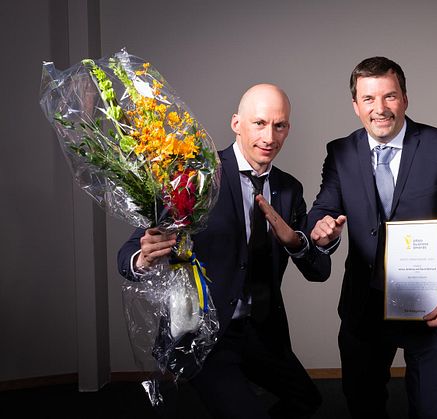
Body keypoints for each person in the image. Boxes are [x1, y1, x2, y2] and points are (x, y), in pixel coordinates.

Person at [117, 84, 330, 419]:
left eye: (280, 125)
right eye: (259, 123)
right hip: (206, 336)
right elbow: (128, 253)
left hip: (262, 332)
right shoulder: (197, 175)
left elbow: (319, 271)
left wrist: (295, 242)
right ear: (236, 123)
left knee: (308, 400)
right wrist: (143, 257)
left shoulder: (289, 189)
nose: (269, 136)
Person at [307, 56, 437, 419]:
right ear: (356, 106)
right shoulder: (340, 152)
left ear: (405, 98)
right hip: (364, 307)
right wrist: (321, 229)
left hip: (432, 305)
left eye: (389, 97)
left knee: (429, 409)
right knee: (363, 406)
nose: (380, 109)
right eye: (369, 99)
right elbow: (321, 210)